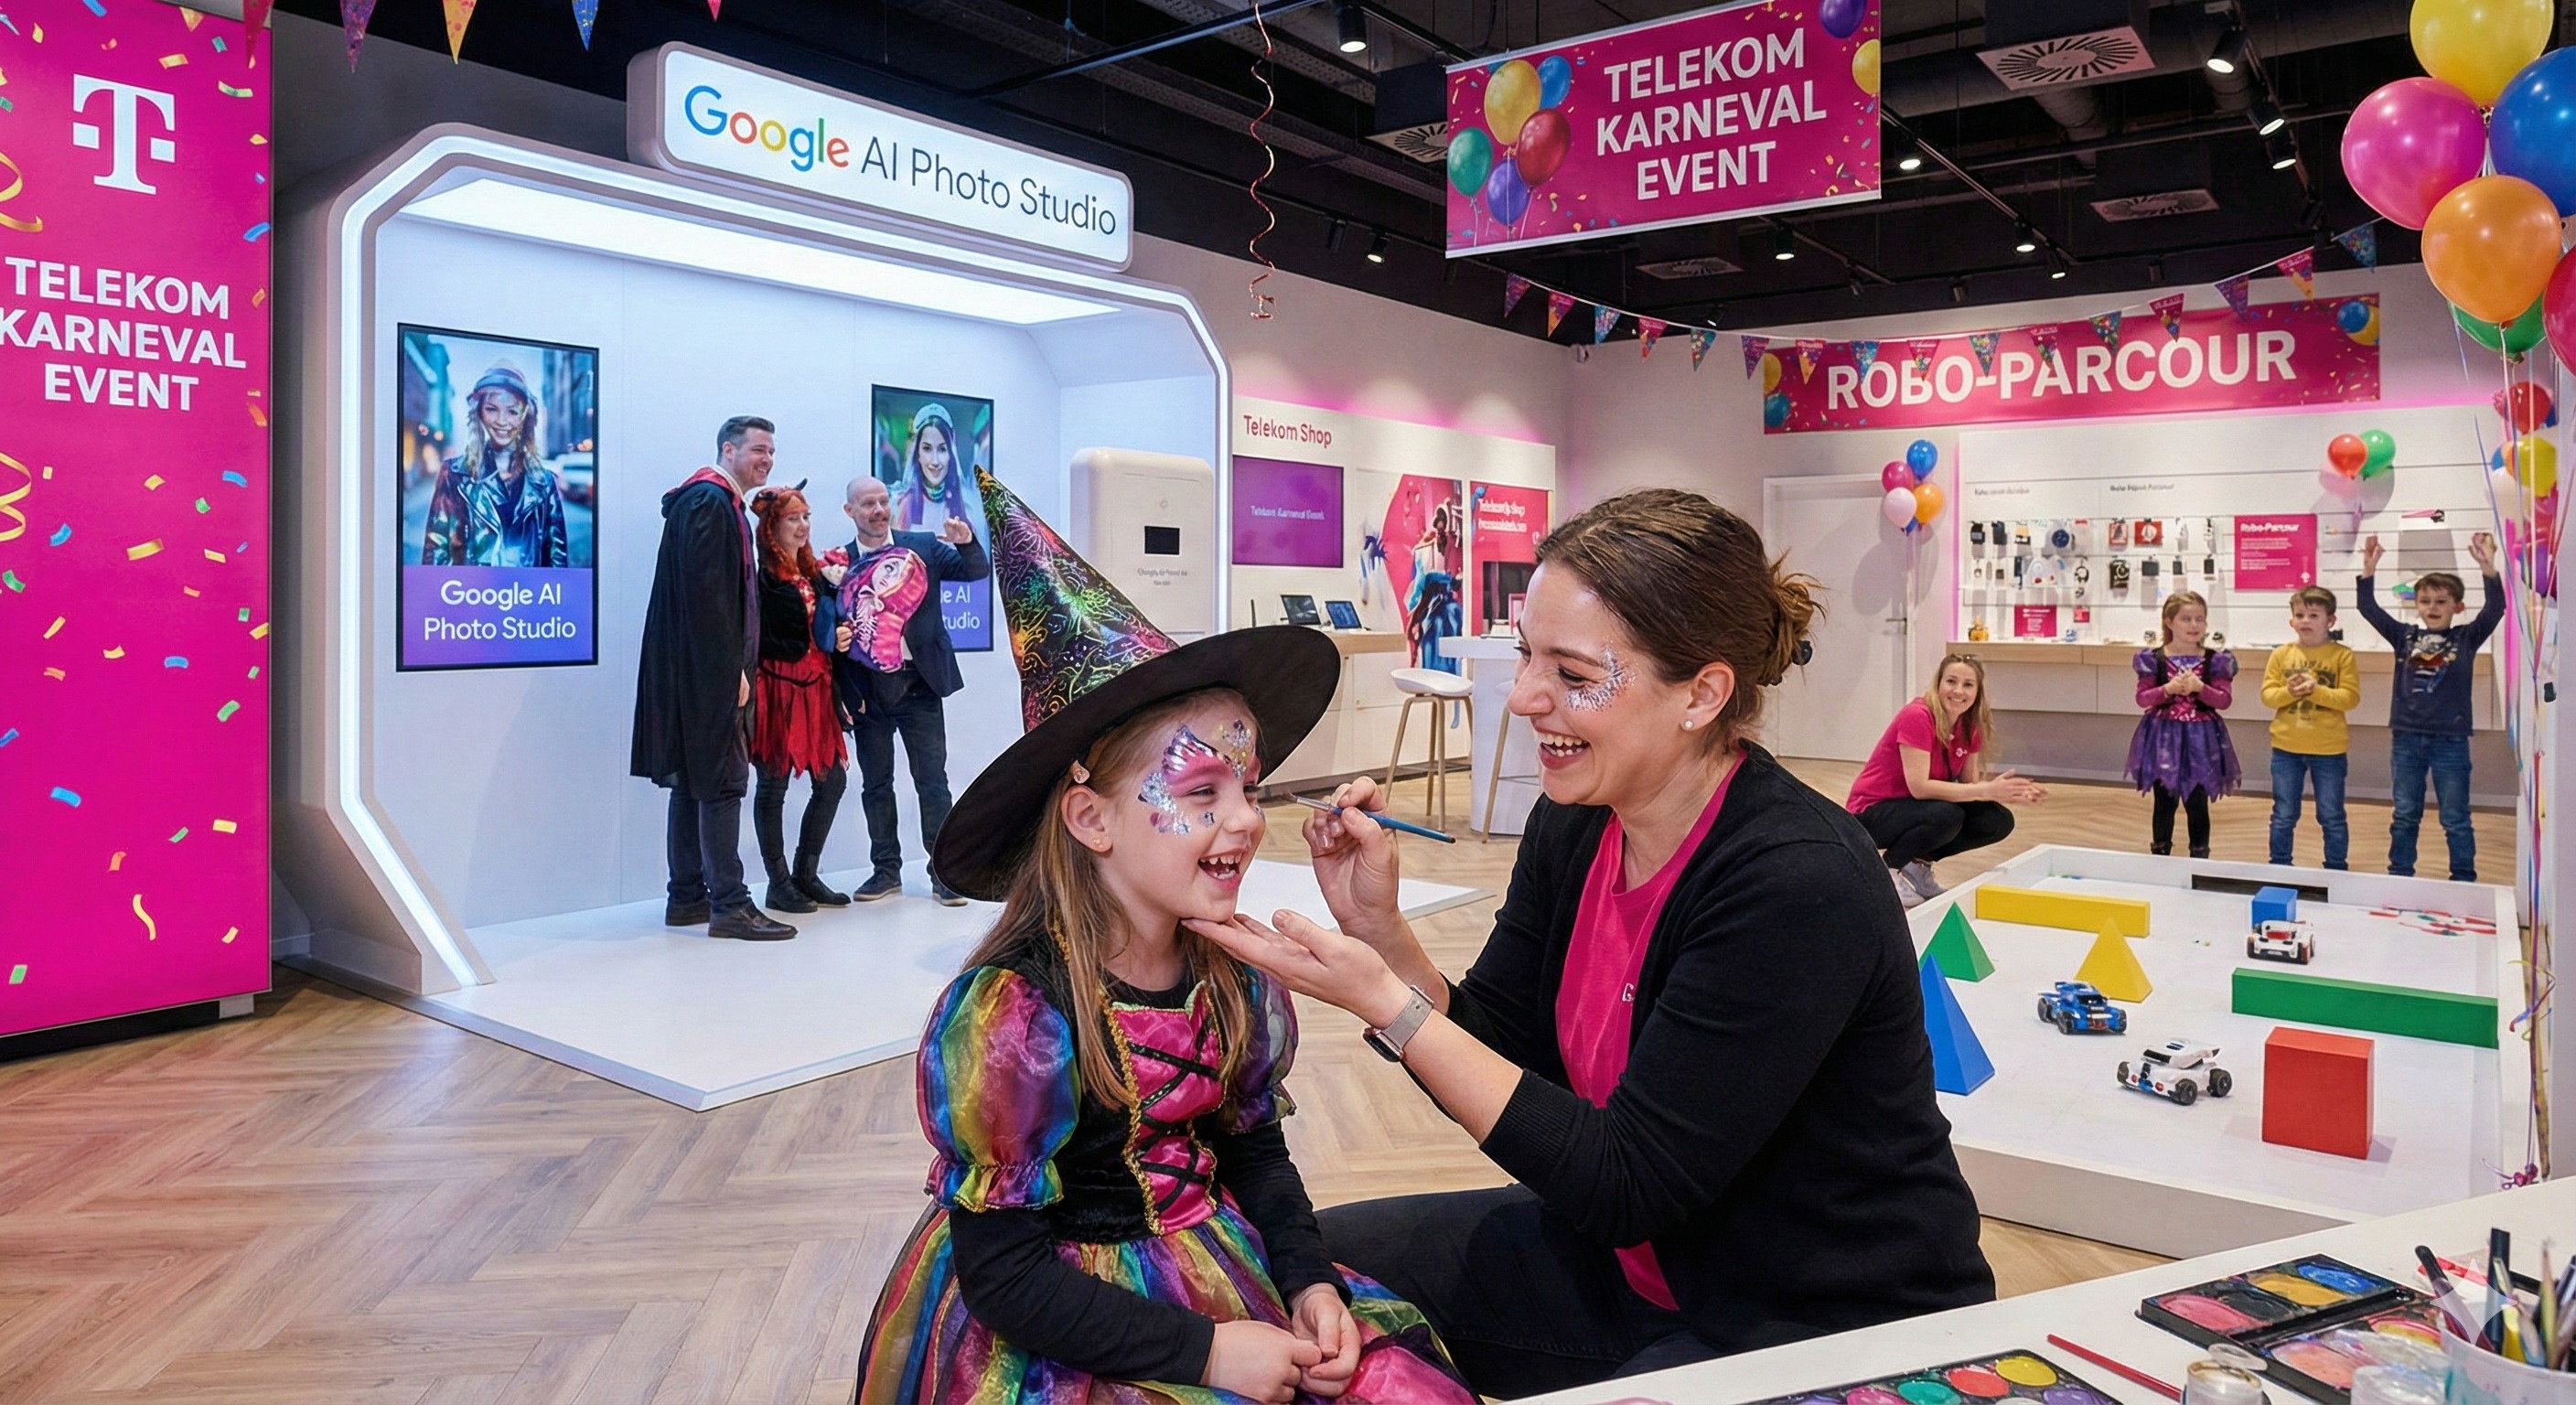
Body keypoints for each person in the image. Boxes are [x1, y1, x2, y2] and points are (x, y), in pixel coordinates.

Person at [1193, 488, 1995, 1394]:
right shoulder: (1576, 824)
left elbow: (1625, 1181)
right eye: (1527, 654)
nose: (1526, 697)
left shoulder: (1796, 880)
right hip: (1631, 1266)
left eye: (1573, 677)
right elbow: (1505, 1035)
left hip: (1815, 1316)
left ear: (1701, 693)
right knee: (1290, 1283)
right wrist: (1381, 936)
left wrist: (1379, 1000)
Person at [856, 467, 1475, 1405]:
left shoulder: (1229, 975)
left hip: (1216, 1263)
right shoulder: (1015, 1015)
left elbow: (1255, 1152)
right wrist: (1205, 1353)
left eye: (1249, 788)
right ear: (1090, 820)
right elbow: (1006, 1275)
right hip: (1065, 1328)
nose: (1244, 822)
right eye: (1201, 795)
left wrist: (1306, 1279)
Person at [629, 416, 797, 942]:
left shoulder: (707, 502)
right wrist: (733, 676)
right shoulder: (709, 503)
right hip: (711, 675)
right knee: (722, 783)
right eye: (757, 450)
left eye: (771, 451)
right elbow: (709, 602)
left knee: (692, 780)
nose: (766, 460)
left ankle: (687, 897)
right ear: (729, 450)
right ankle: (729, 904)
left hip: (696, 673)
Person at [814, 476, 990, 906]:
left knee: (932, 782)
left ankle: (943, 874)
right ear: (849, 511)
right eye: (866, 504)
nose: (877, 510)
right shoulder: (836, 563)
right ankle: (884, 870)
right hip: (867, 689)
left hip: (920, 684)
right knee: (876, 783)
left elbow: (975, 572)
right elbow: (825, 628)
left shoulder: (923, 547)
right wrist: (834, 642)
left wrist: (967, 542)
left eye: (882, 502)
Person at [1847, 653, 2045, 908]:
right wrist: (1987, 790)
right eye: (1951, 681)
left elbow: (1969, 791)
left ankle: (1917, 863)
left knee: (1995, 820)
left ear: (1978, 691)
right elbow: (1919, 788)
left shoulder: (1968, 726)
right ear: (1938, 684)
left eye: (1968, 685)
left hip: (1917, 810)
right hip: (1872, 813)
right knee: (1947, 815)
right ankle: (1886, 871)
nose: (1958, 691)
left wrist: (2008, 791)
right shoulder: (1917, 716)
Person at [2357, 533, 2503, 880]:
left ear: (2457, 607)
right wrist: (2368, 570)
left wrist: (2488, 569)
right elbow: (2369, 609)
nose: (2433, 607)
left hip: (2450, 741)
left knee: (2455, 816)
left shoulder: (2466, 638)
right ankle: (2401, 873)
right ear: (2417, 605)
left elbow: (2495, 609)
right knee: (2405, 812)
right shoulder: (2404, 636)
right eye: (2425, 601)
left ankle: (2463, 877)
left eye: (2441, 601)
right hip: (2406, 739)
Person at [748, 487, 851, 915]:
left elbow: (825, 629)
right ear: (773, 527)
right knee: (772, 784)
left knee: (833, 780)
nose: (803, 526)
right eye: (793, 518)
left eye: (806, 517)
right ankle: (778, 883)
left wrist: (837, 637)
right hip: (780, 687)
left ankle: (805, 874)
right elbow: (759, 635)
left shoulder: (813, 571)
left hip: (818, 687)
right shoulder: (763, 578)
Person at [419, 365, 571, 569]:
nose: (502, 421)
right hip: (470, 596)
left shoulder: (545, 482)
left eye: (513, 411)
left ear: (525, 416)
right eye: (492, 409)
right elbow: (436, 551)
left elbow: (557, 560)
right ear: (479, 412)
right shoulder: (453, 474)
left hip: (527, 596)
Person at [2125, 591, 2238, 859]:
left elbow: (2224, 701)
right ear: (2169, 622)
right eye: (2186, 619)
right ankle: (2160, 855)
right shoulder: (2153, 659)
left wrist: (2200, 688)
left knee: (2197, 802)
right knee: (2164, 801)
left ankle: (2199, 860)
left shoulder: (2217, 660)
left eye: (2200, 619)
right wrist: (2168, 688)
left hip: (2202, 739)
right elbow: (2142, 698)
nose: (2194, 625)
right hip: (2163, 738)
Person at [2261, 586, 2360, 870]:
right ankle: (2279, 867)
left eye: (2313, 615)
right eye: (2300, 615)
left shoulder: (2343, 656)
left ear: (2330, 620)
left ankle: (2336, 869)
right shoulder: (2281, 655)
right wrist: (2291, 692)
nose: (2305, 621)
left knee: (2331, 815)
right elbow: (2268, 696)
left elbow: (2349, 698)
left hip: (2329, 750)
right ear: (2291, 621)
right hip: (2285, 749)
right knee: (2283, 814)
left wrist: (2314, 691)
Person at [890, 402, 985, 539]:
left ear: (951, 455)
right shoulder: (898, 506)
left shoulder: (968, 507)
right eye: (927, 449)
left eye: (942, 449)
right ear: (918, 454)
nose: (935, 461)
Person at [1403, 502, 1464, 674]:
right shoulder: (1423, 553)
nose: (1440, 536)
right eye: (1438, 532)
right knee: (1431, 632)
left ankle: (1449, 680)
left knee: (1448, 626)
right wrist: (1415, 615)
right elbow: (1420, 588)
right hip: (1430, 606)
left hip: (1446, 608)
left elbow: (1456, 582)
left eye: (1443, 532)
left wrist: (1456, 580)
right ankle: (1430, 679)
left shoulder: (1456, 551)